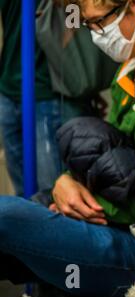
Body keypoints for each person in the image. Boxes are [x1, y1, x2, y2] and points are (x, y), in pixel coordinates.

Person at [0, 0, 135, 297]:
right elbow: (102, 151)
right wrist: (68, 181)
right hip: (122, 224)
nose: (95, 34)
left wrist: (103, 207)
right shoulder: (132, 71)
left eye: (99, 22)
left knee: (6, 216)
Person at [0, 0, 101, 197]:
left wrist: (81, 81)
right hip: (9, 88)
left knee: (54, 192)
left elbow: (78, 20)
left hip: (51, 92)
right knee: (24, 198)